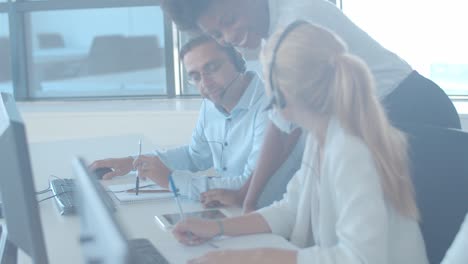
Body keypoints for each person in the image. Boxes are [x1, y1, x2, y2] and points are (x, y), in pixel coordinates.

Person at [162, 0, 461, 212]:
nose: (229, 37)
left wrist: (249, 197)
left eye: (228, 21)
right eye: (217, 35)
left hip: (412, 109)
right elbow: (281, 124)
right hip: (377, 117)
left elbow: (284, 131)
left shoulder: (297, 20)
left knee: (418, 227)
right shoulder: (268, 43)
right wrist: (247, 197)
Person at [172, 21, 429, 264]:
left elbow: (357, 259)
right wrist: (216, 228)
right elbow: (291, 208)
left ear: (284, 93)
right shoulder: (321, 137)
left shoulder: (351, 148)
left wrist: (253, 257)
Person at [90, 35, 270, 203]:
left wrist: (172, 181)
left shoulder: (269, 106)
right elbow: (195, 156)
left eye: (212, 68)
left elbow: (248, 185)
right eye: (195, 76)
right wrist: (134, 162)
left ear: (237, 60)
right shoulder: (212, 101)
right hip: (230, 207)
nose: (205, 83)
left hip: (265, 214)